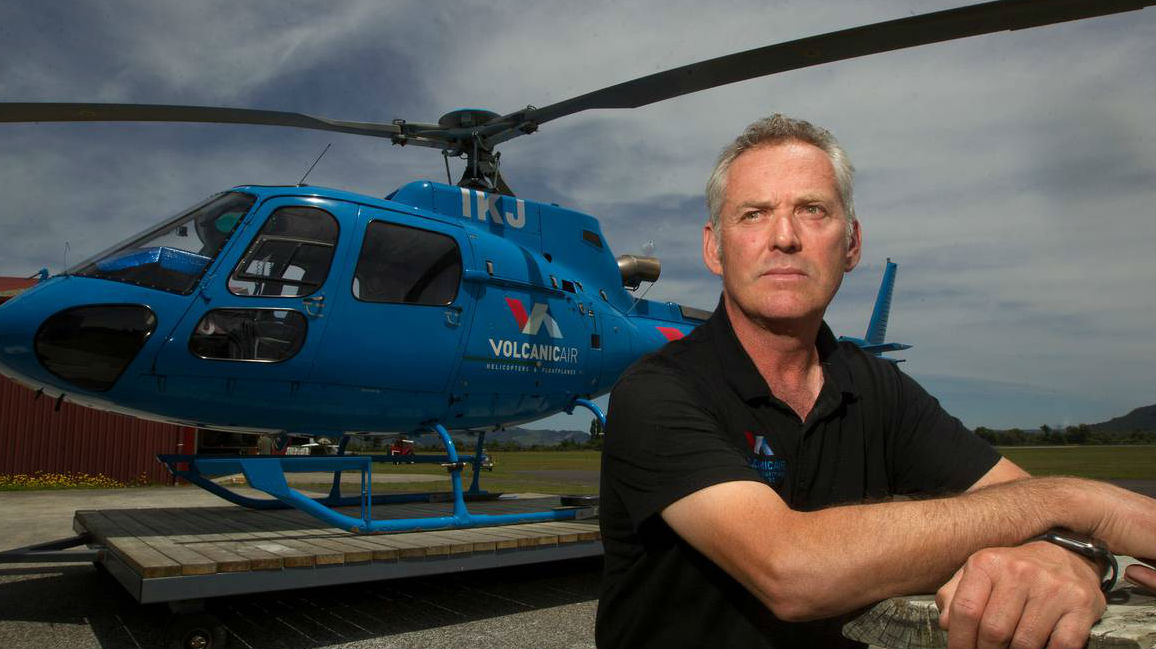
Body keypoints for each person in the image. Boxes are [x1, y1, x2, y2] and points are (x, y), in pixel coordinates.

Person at [595, 114, 1156, 649]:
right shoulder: (658, 391)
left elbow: (1018, 502)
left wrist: (1068, 555)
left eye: (813, 210)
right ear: (715, 248)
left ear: (852, 244)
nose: (784, 236)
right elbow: (792, 570)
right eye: (754, 214)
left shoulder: (876, 387)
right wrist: (1072, 499)